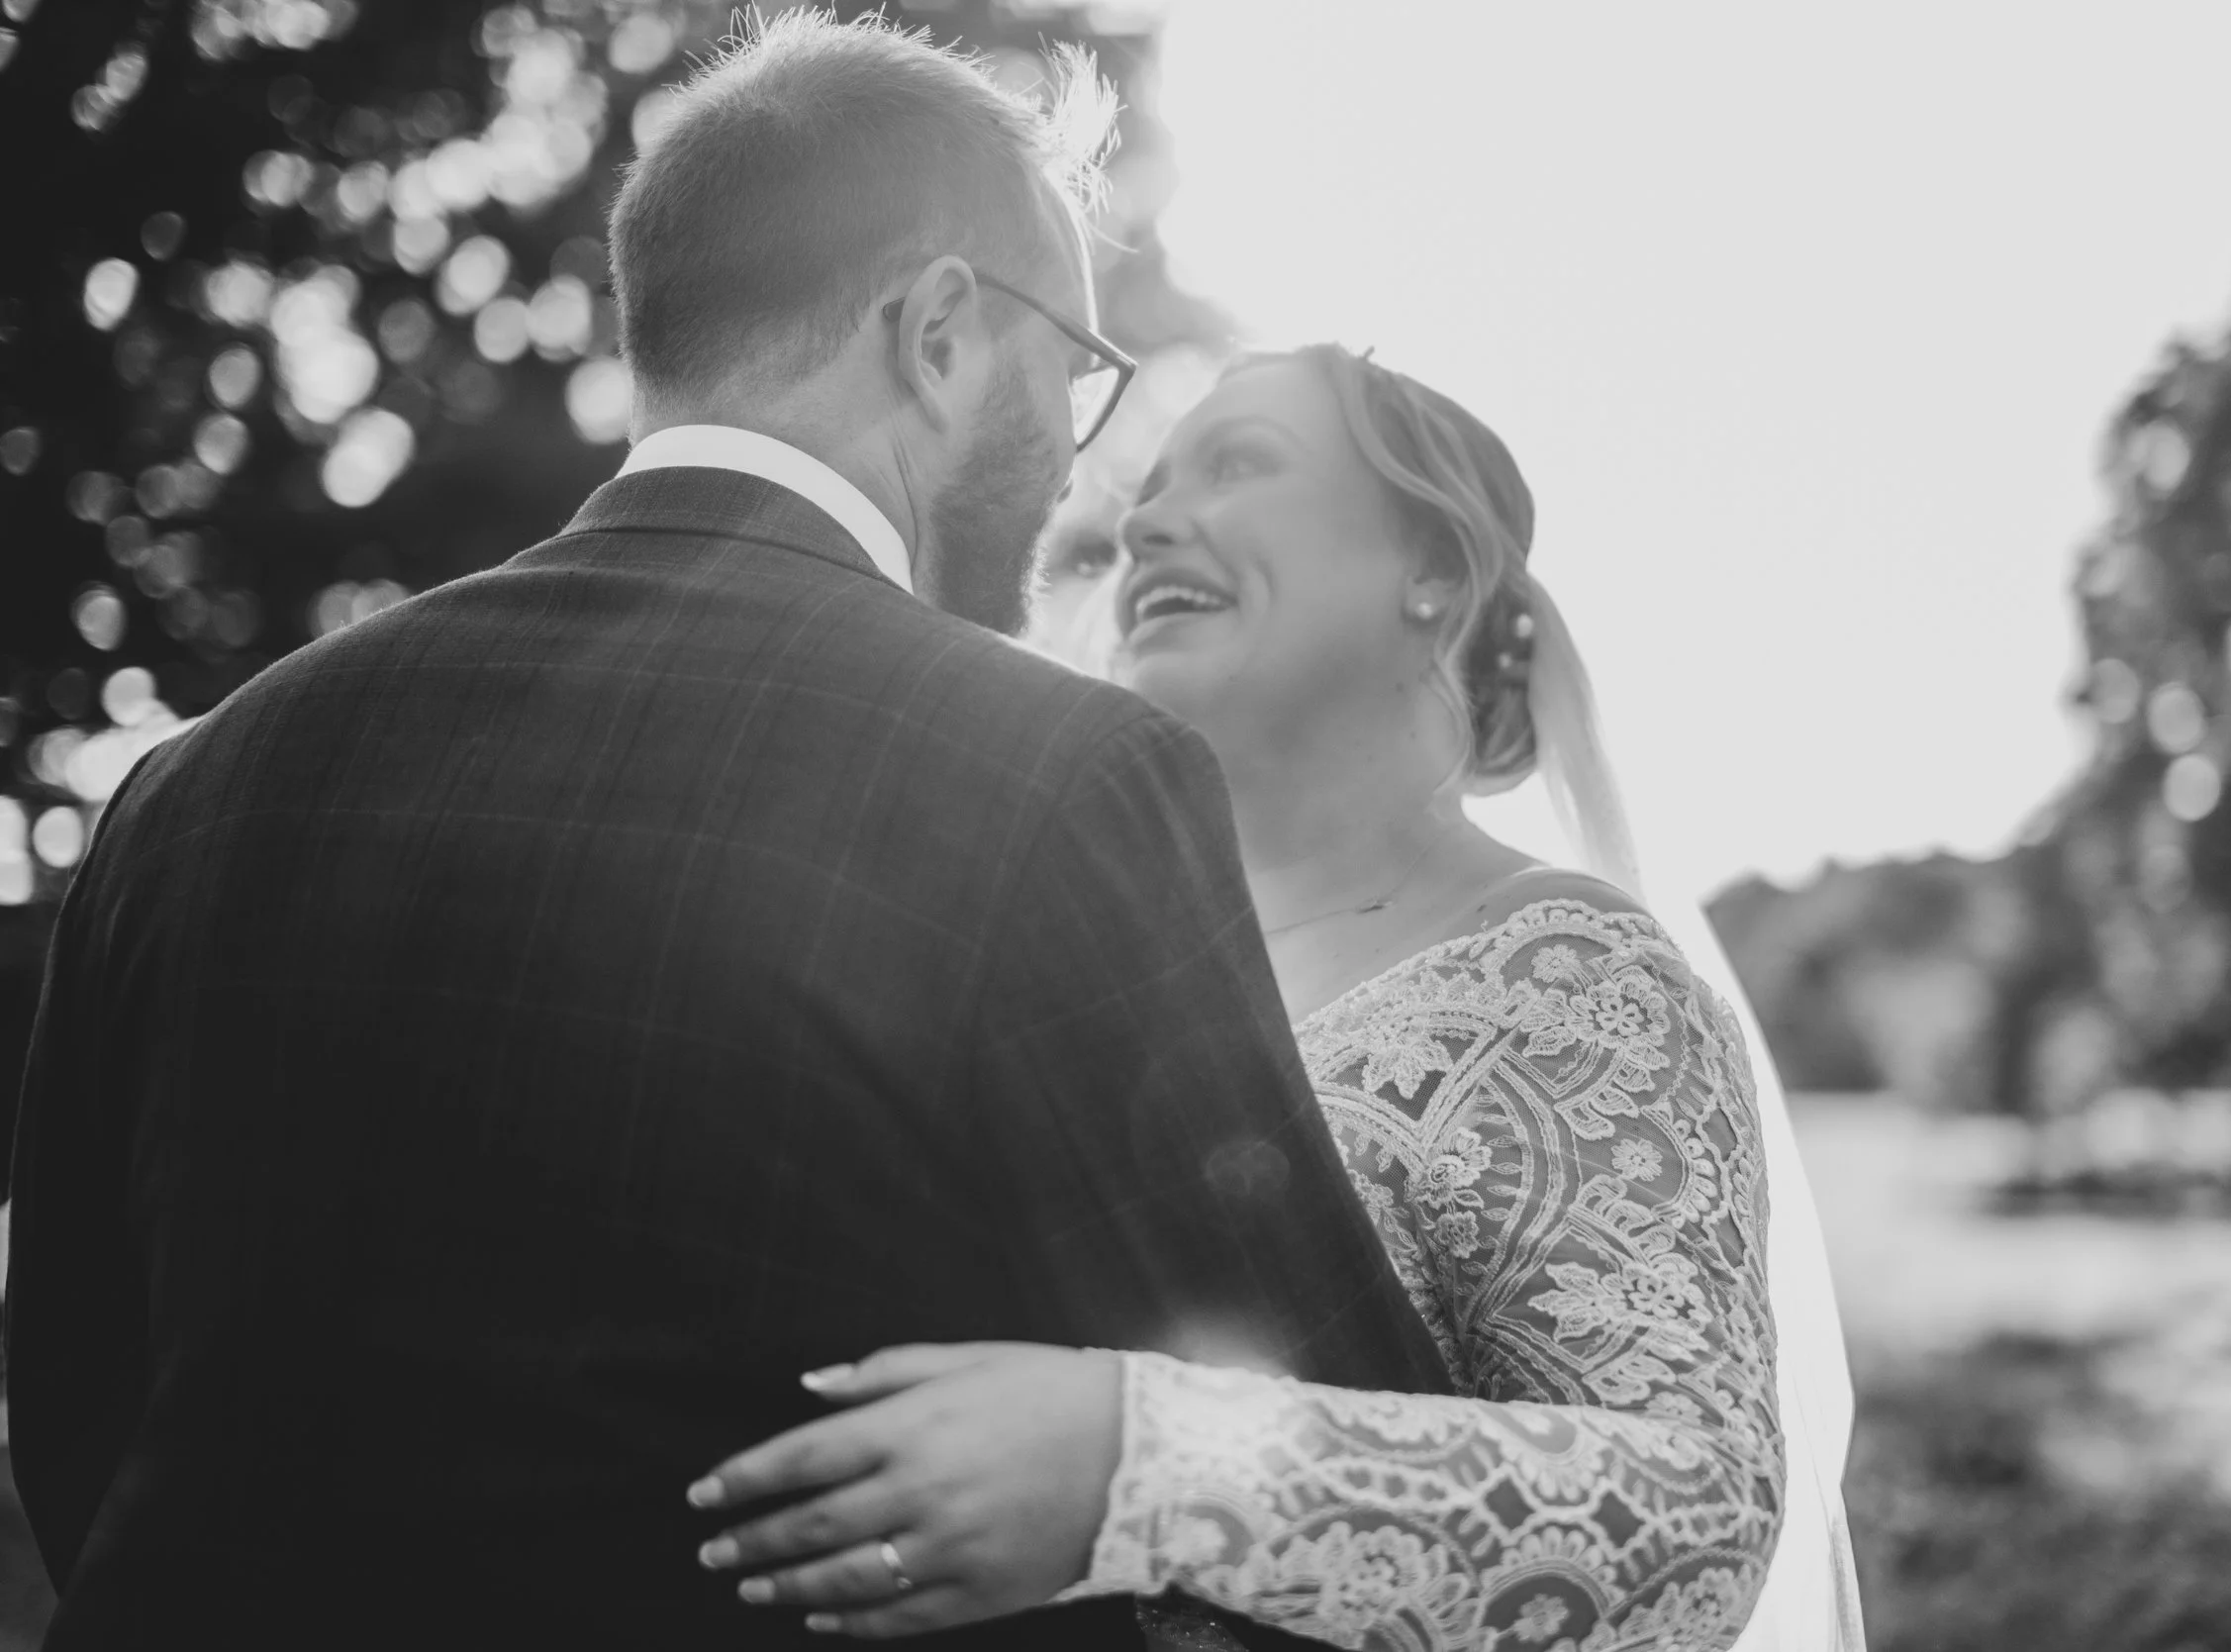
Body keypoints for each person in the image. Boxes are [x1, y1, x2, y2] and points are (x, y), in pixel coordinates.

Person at [4, 21, 1453, 1649]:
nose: (1077, 464)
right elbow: (1332, 1460)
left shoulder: (187, 785)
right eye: (1079, 375)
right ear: (945, 332)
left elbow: (76, 1403)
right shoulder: (1056, 773)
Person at [688, 348, 1867, 1650]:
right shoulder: (1064, 959)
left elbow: (1694, 1519)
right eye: (1153, 484)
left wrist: (1137, 1472)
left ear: (1436, 574)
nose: (1137, 519)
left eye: (1243, 462)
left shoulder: (1564, 977)